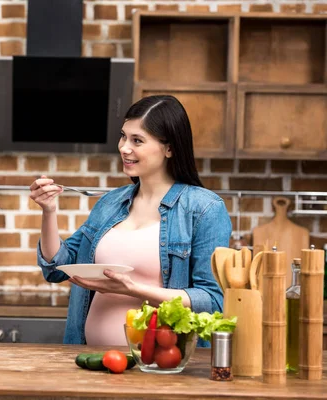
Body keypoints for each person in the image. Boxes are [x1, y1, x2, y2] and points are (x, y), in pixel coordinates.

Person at [29, 95, 231, 346]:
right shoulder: (111, 203)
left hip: (162, 365)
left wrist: (132, 289)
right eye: (124, 136)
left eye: (137, 140)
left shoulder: (204, 209)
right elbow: (57, 266)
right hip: (89, 359)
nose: (124, 147)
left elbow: (212, 300)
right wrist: (49, 211)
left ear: (170, 148)